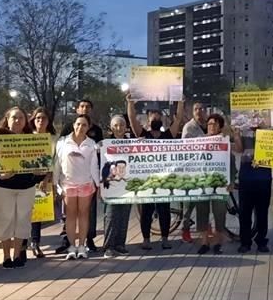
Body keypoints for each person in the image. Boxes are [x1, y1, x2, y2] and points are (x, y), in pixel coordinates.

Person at [127, 94, 184, 250]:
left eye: (158, 116)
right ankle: (146, 240)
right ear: (148, 120)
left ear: (162, 120)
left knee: (164, 210)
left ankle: (165, 239)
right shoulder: (142, 134)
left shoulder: (168, 135)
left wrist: (180, 101)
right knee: (146, 211)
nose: (156, 118)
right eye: (153, 116)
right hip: (147, 180)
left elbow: (178, 120)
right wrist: (130, 103)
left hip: (164, 180)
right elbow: (132, 120)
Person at [0, 106, 43, 268]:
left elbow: (41, 165)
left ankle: (17, 255)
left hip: (26, 186)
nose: (17, 121)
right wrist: (0, 176)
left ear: (26, 121)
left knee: (23, 220)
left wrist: (38, 172)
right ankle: (6, 257)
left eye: (21, 117)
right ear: (7, 119)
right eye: (14, 117)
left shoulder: (32, 139)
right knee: (4, 219)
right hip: (3, 186)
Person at [57, 99, 104, 254]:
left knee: (84, 215)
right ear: (73, 125)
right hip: (68, 184)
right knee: (70, 216)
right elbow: (57, 163)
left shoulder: (92, 143)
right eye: (78, 124)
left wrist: (99, 185)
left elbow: (95, 165)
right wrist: (57, 185)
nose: (80, 127)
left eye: (84, 125)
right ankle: (71, 246)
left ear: (89, 127)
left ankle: (83, 245)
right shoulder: (63, 141)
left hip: (86, 184)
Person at [196, 114, 242, 255]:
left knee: (219, 215)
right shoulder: (199, 141)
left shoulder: (224, 141)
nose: (211, 126)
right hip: (203, 184)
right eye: (209, 124)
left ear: (220, 127)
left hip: (221, 185)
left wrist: (232, 181)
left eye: (215, 124)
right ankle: (204, 242)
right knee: (202, 213)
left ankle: (217, 243)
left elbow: (237, 154)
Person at [236, 110, 273, 255]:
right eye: (252, 117)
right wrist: (237, 135)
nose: (255, 120)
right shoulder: (243, 131)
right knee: (244, 212)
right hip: (246, 176)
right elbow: (239, 150)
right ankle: (245, 242)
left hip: (264, 177)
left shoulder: (269, 134)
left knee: (262, 212)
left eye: (258, 117)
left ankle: (261, 241)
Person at [24, 107, 58, 260]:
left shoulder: (53, 139)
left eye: (43, 118)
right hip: (27, 177)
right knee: (25, 213)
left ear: (48, 121)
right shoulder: (27, 137)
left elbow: (54, 160)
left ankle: (35, 243)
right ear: (33, 120)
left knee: (38, 213)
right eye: (37, 118)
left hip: (44, 178)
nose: (40, 121)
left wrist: (47, 179)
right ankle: (23, 243)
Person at [100, 114, 134, 258]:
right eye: (116, 125)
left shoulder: (132, 144)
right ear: (111, 128)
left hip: (127, 186)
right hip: (112, 186)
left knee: (124, 215)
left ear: (126, 127)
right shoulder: (105, 144)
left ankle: (120, 244)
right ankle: (108, 246)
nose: (119, 128)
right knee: (111, 216)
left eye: (122, 125)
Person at [180, 101, 209, 243]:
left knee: (204, 201)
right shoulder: (189, 127)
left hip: (205, 170)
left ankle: (205, 227)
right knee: (189, 204)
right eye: (196, 109)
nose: (199, 111)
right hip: (191, 171)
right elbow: (185, 148)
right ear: (193, 112)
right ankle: (185, 230)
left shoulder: (208, 125)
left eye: (201, 108)